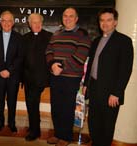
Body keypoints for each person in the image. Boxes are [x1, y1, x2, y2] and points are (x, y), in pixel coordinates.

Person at [82, 8, 133, 146]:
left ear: (115, 22)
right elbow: (91, 64)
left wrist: (116, 93)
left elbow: (125, 70)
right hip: (94, 89)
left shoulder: (124, 41)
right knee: (93, 123)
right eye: (102, 20)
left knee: (107, 126)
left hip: (111, 94)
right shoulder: (96, 40)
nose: (105, 23)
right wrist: (86, 84)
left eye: (109, 20)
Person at [46, 7, 91, 146]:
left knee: (67, 108)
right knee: (56, 107)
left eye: (71, 16)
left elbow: (80, 57)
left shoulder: (83, 35)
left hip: (71, 79)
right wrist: (53, 65)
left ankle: (66, 136)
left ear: (76, 18)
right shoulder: (56, 34)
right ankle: (58, 134)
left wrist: (61, 67)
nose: (67, 18)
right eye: (65, 16)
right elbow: (48, 51)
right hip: (55, 76)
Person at [0, 10, 23, 133]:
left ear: (13, 23)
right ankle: (0, 122)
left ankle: (12, 123)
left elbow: (20, 57)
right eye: (4, 20)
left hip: (13, 76)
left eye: (9, 21)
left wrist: (9, 70)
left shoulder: (19, 38)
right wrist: (0, 70)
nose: (7, 23)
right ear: (0, 22)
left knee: (12, 101)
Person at [22, 13, 52, 141]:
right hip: (27, 78)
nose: (37, 24)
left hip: (40, 78)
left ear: (42, 22)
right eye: (34, 22)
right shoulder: (25, 38)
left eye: (39, 22)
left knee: (32, 102)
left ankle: (35, 131)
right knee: (30, 103)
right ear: (29, 24)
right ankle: (34, 125)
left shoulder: (49, 37)